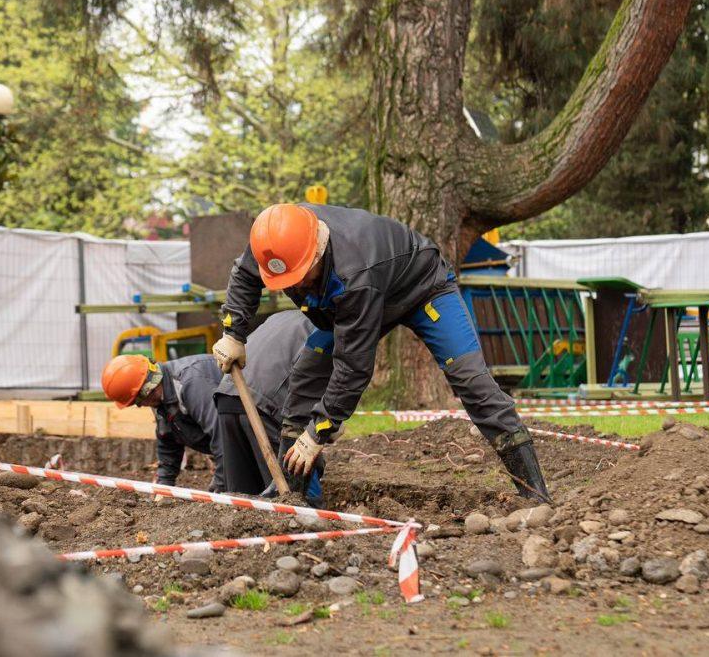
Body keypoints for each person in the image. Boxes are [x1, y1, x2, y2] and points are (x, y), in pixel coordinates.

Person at [211, 203, 550, 503]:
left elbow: (353, 366)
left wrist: (320, 432)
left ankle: (533, 493)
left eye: (301, 278)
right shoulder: (278, 236)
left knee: (471, 381)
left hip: (423, 289)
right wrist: (233, 332)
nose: (295, 288)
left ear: (316, 250)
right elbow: (245, 274)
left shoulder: (355, 272)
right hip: (352, 300)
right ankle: (291, 493)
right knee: (305, 379)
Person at [214, 309, 333, 502]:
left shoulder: (280, 316)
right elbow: (313, 382)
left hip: (229, 393)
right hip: (268, 405)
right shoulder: (328, 328)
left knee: (243, 497)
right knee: (295, 487)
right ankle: (308, 526)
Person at [100, 353, 225, 491]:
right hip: (234, 446)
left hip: (246, 438)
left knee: (237, 492)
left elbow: (224, 436)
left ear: (146, 391)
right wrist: (164, 485)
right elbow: (168, 442)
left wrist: (221, 482)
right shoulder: (161, 400)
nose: (140, 406)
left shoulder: (190, 384)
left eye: (137, 402)